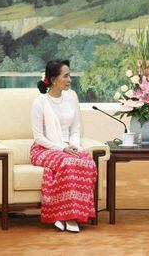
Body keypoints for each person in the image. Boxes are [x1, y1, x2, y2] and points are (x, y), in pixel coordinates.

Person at [30, 59, 97, 233]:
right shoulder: (40, 102)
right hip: (45, 149)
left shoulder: (70, 99)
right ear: (53, 79)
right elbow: (38, 137)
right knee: (67, 162)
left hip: (69, 147)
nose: (70, 80)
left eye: (70, 75)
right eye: (66, 76)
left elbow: (76, 129)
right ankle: (68, 216)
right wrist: (62, 149)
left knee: (88, 162)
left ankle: (68, 214)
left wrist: (73, 146)